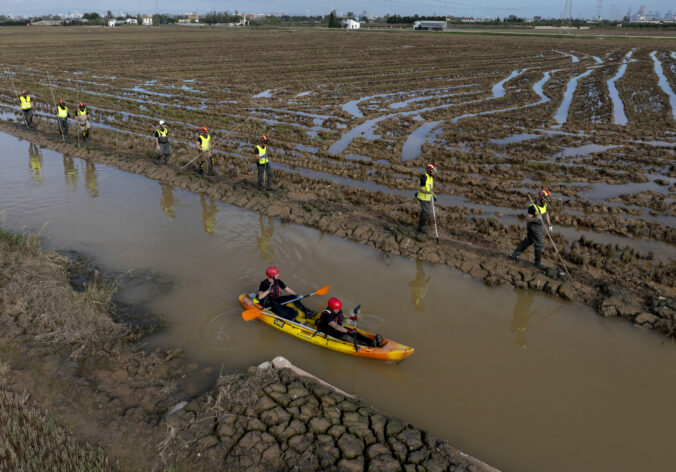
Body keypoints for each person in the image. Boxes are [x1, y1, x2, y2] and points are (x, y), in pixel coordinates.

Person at [511, 189, 553, 270]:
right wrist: (535, 217)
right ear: (541, 198)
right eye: (546, 198)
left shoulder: (544, 205)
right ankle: (537, 262)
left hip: (539, 226)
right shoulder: (533, 207)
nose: (547, 200)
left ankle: (515, 254)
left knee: (529, 240)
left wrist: (549, 224)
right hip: (533, 226)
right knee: (539, 243)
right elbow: (527, 218)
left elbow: (546, 213)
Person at [317, 298, 381, 348]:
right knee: (347, 337)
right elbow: (336, 326)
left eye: (339, 308)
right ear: (331, 308)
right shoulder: (326, 315)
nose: (338, 310)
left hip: (339, 328)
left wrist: (350, 317)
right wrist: (348, 331)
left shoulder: (336, 310)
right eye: (337, 309)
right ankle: (366, 346)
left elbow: (341, 315)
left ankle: (371, 341)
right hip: (329, 331)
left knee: (355, 333)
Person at [416, 163, 437, 234]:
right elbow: (421, 189)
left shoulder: (430, 177)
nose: (435, 172)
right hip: (423, 198)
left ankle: (421, 224)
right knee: (426, 212)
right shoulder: (424, 178)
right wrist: (428, 193)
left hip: (428, 197)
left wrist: (433, 195)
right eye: (434, 171)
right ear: (429, 171)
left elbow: (430, 188)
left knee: (425, 212)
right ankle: (421, 226)